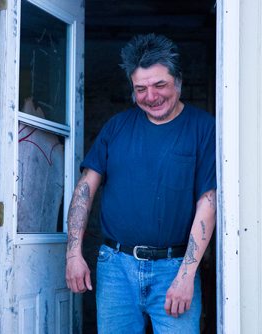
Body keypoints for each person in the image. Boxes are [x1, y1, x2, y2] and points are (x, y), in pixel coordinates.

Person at [65, 33, 216, 333]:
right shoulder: (116, 127)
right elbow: (85, 188)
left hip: (174, 269)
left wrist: (187, 275)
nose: (151, 96)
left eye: (160, 84)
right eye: (141, 89)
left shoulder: (204, 128)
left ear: (179, 81)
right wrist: (73, 255)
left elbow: (208, 202)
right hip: (115, 268)